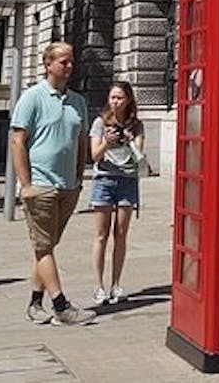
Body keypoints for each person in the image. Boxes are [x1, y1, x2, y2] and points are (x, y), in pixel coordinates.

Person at [10, 41, 94, 325]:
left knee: (46, 246)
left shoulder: (78, 102)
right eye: (63, 62)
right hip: (41, 184)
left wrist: (79, 177)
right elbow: (17, 142)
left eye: (71, 62)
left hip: (68, 185)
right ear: (48, 64)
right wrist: (26, 184)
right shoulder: (32, 97)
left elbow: (81, 141)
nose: (69, 66)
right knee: (44, 246)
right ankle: (61, 306)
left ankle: (35, 304)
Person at [89, 80, 144, 305]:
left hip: (127, 181)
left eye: (120, 98)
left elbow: (139, 157)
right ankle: (99, 286)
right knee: (101, 235)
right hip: (104, 180)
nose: (115, 102)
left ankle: (116, 284)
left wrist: (130, 141)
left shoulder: (136, 125)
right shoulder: (100, 123)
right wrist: (107, 142)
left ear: (128, 100)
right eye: (112, 97)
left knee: (120, 234)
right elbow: (94, 155)